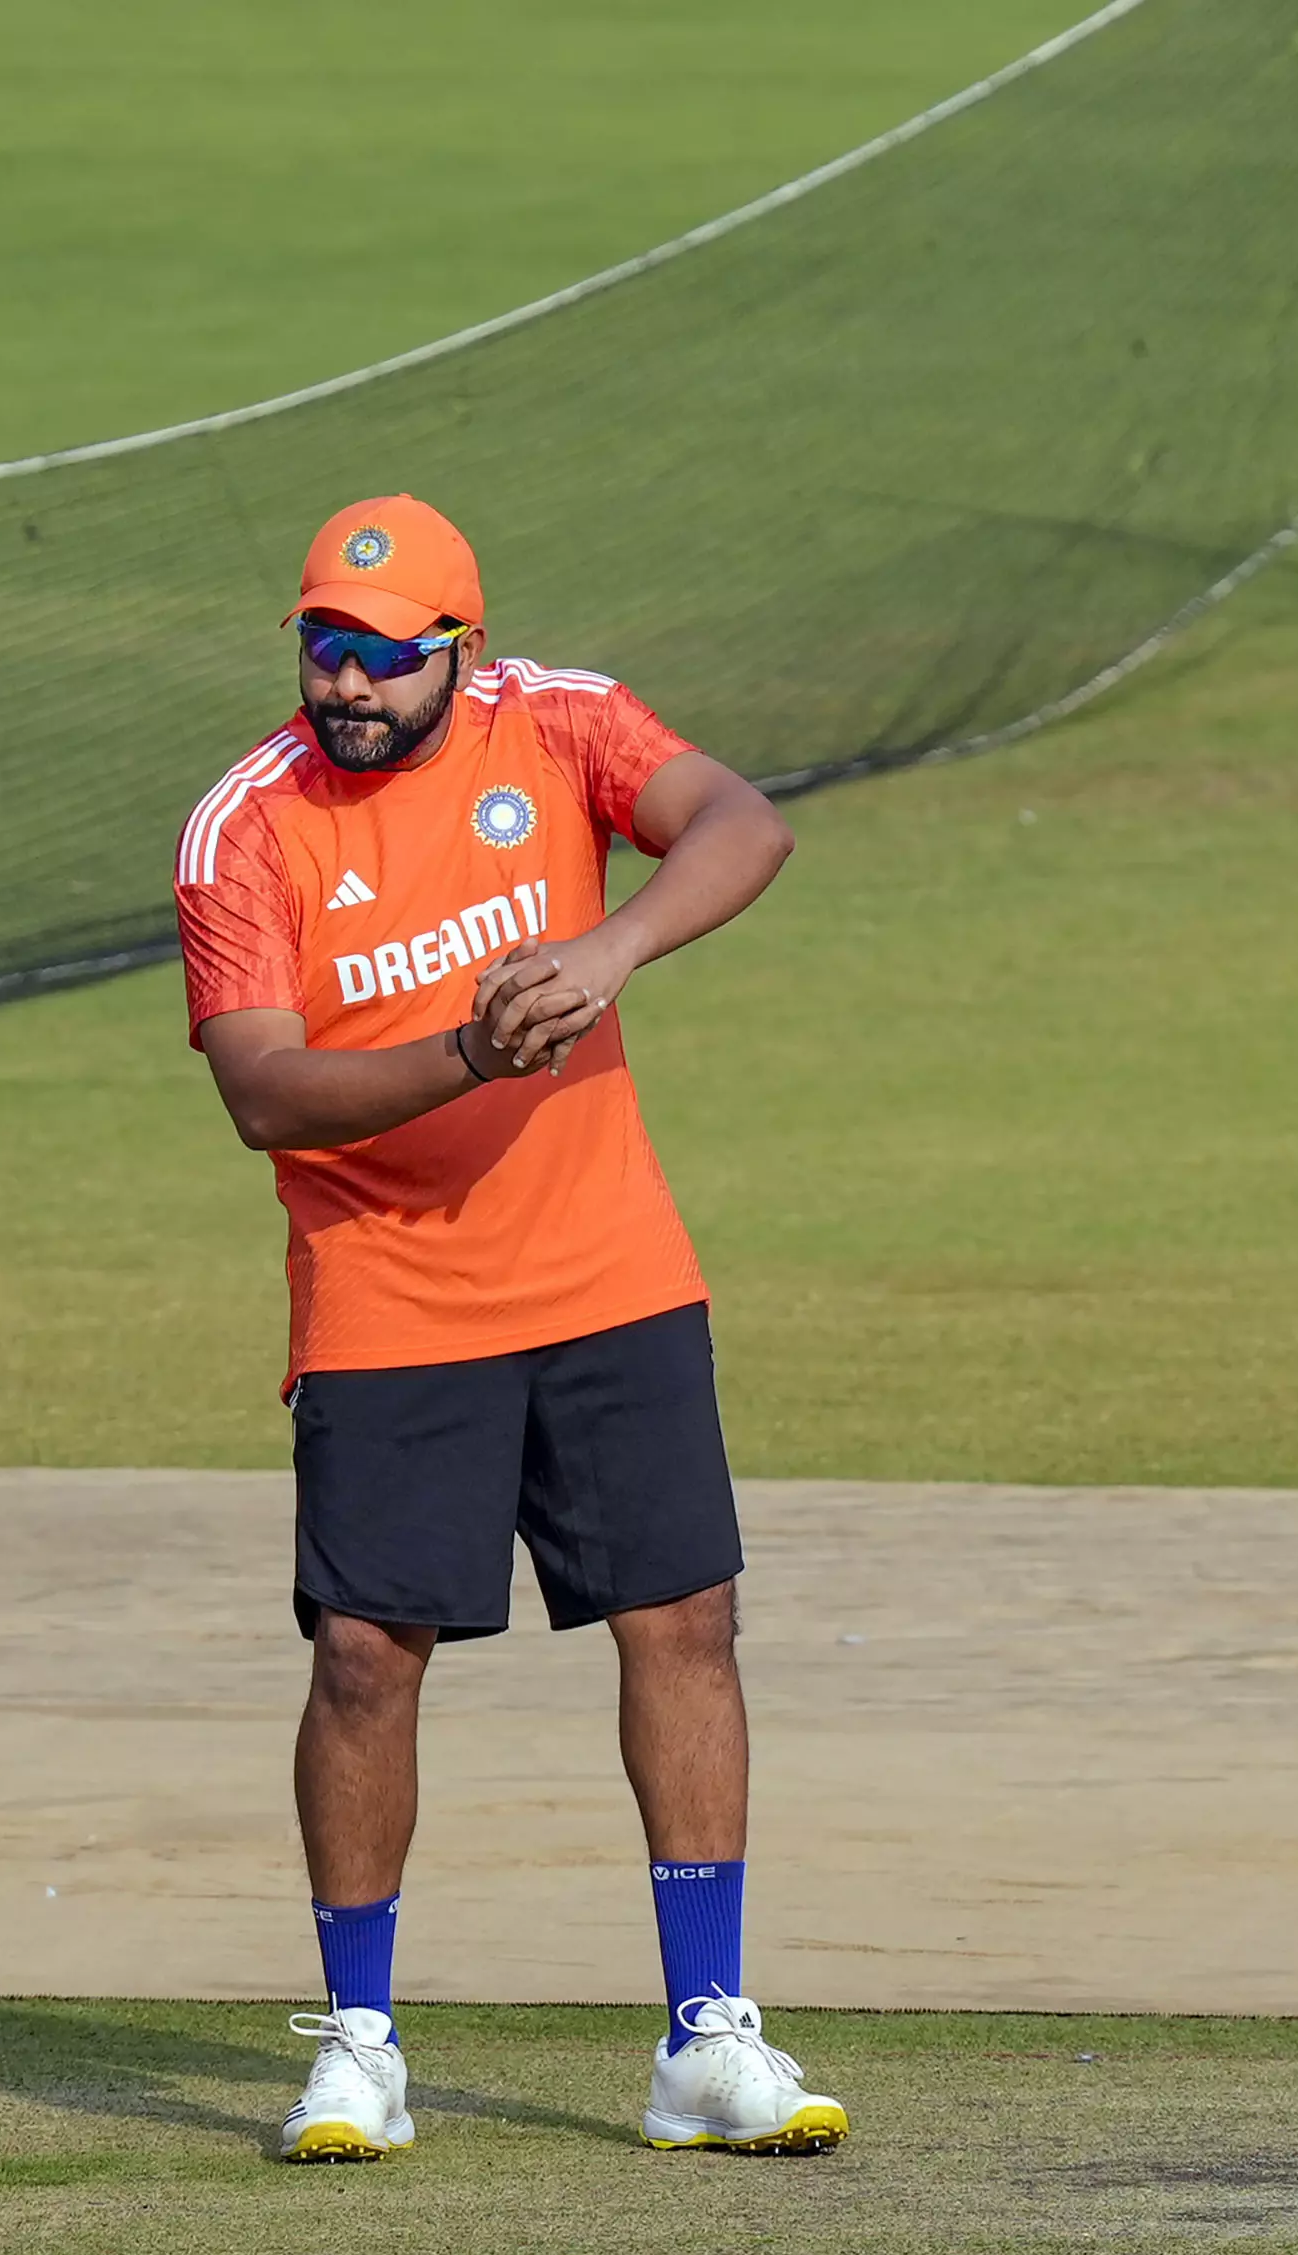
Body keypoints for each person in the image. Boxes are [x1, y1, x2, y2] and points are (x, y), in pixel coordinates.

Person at [171, 494, 849, 2164]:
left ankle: (705, 2038)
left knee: (685, 1623)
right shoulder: (246, 830)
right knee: (362, 1660)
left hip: (610, 1268)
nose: (348, 686)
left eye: (385, 659)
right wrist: (468, 1059)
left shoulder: (556, 724)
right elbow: (264, 1092)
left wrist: (608, 949)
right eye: (325, 648)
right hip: (390, 1292)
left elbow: (741, 823)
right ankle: (360, 2045)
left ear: (454, 654)